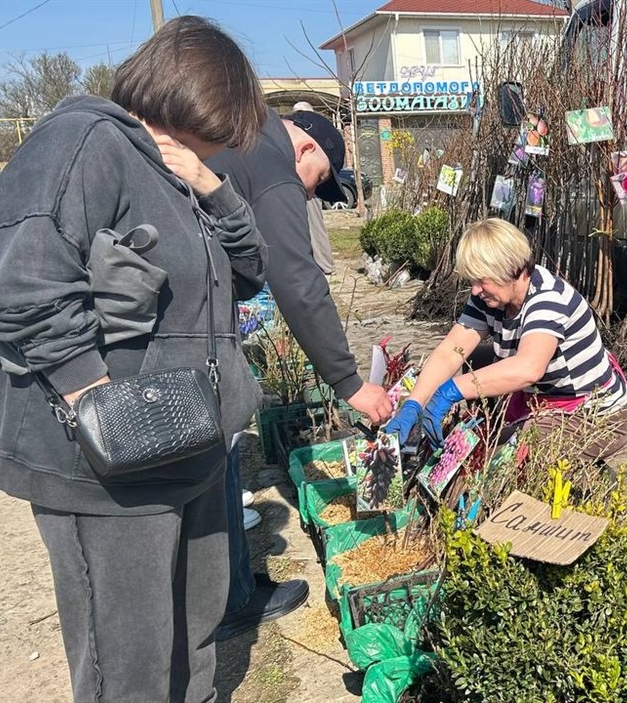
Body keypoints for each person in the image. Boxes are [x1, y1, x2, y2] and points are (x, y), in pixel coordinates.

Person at [0, 16, 266, 702]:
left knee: (192, 641)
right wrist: (92, 396)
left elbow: (249, 273)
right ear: (192, 92)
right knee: (127, 666)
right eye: (222, 125)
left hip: (184, 444)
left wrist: (214, 187)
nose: (224, 142)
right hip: (108, 469)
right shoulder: (85, 138)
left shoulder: (180, 172)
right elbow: (22, 272)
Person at [207, 100, 393, 640]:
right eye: (318, 180)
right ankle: (228, 598)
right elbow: (297, 279)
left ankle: (230, 590)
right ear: (305, 148)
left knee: (214, 447)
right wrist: (350, 384)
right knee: (210, 440)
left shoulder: (243, 132)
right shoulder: (271, 160)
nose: (311, 192)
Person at [383, 218, 627, 462]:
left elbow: (528, 367)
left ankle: (584, 489)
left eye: (482, 280)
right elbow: (452, 350)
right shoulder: (489, 299)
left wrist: (450, 391)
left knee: (513, 456)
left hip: (595, 414)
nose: (474, 290)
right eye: (472, 280)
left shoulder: (548, 299)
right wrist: (415, 403)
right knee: (478, 427)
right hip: (544, 401)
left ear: (512, 269)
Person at [291, 100, 338, 275]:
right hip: (297, 187)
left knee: (315, 224)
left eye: (301, 112)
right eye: (296, 113)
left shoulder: (312, 133)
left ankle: (325, 264)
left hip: (307, 187)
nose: (298, 116)